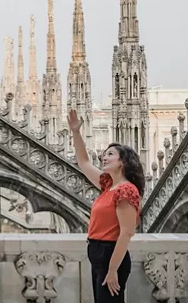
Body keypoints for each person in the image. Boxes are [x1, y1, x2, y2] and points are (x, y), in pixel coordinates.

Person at [68, 109, 144, 303]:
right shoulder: (109, 186)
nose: (104, 157)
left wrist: (112, 270)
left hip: (111, 256)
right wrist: (76, 132)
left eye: (110, 154)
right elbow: (84, 162)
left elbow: (126, 233)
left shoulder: (126, 190)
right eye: (104, 154)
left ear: (123, 162)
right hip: (98, 255)